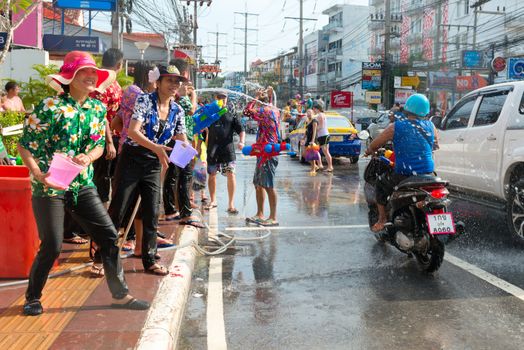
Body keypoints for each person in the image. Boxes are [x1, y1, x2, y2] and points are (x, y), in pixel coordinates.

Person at [17, 51, 149, 316]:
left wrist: (87, 156)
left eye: (93, 72)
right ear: (69, 77)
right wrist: (37, 172)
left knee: (110, 237)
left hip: (82, 184)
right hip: (49, 185)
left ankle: (120, 295)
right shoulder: (49, 106)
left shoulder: (97, 108)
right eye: (83, 72)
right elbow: (25, 146)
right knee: (53, 244)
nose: (91, 76)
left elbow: (99, 145)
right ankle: (32, 297)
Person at [109, 64, 188, 276]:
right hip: (132, 158)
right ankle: (101, 257)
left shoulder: (177, 110)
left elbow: (180, 137)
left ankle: (149, 259)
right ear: (158, 82)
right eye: (169, 80)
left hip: (154, 162)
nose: (174, 85)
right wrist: (157, 148)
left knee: (152, 211)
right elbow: (133, 132)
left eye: (177, 81)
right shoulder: (144, 100)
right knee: (119, 207)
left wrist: (187, 154)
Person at [364, 93, 436, 233]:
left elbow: (375, 145)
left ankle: (382, 219)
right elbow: (435, 145)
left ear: (407, 109)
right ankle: (421, 204)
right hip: (428, 174)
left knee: (380, 184)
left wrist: (369, 150)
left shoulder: (396, 127)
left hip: (405, 174)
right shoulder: (431, 126)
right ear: (426, 111)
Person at [199, 92, 246, 214]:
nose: (221, 100)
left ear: (227, 99)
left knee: (231, 174)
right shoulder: (209, 113)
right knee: (212, 174)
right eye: (219, 97)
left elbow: (241, 129)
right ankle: (213, 201)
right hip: (213, 149)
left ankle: (231, 204)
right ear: (215, 98)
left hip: (227, 149)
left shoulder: (231, 113)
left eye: (223, 98)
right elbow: (199, 126)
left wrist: (242, 141)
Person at [243, 86, 280, 226]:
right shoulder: (272, 109)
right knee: (258, 184)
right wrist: (268, 96)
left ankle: (273, 217)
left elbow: (246, 111)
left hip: (268, 152)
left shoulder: (265, 110)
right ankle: (260, 214)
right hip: (263, 150)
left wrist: (255, 97)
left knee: (268, 185)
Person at [313, 103, 333, 172]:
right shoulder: (321, 115)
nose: (313, 110)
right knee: (321, 151)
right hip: (322, 135)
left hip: (323, 135)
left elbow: (321, 126)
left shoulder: (320, 115)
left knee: (326, 151)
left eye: (314, 109)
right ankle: (322, 165)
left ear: (317, 109)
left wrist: (314, 129)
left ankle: (330, 166)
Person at [303, 109, 321, 174]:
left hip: (313, 139)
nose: (308, 113)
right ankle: (315, 166)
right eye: (307, 112)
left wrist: (313, 141)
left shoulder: (314, 121)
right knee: (304, 154)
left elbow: (314, 131)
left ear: (313, 113)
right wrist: (303, 138)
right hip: (308, 139)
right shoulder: (307, 121)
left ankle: (313, 169)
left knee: (312, 155)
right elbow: (306, 131)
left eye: (310, 112)